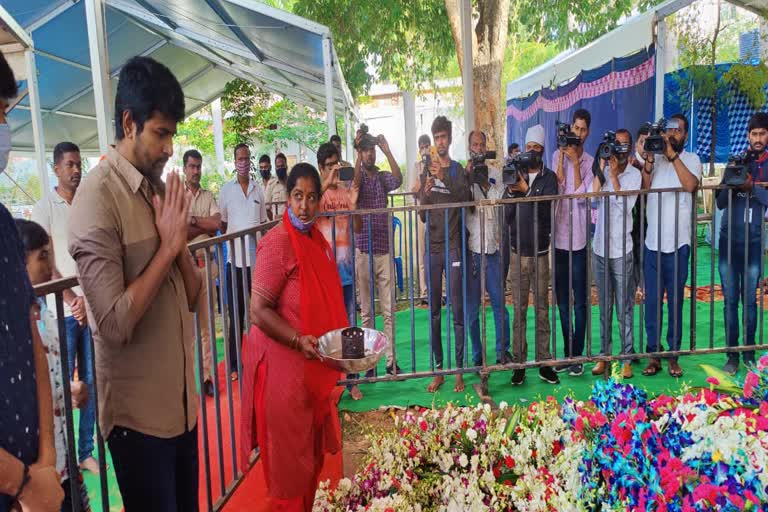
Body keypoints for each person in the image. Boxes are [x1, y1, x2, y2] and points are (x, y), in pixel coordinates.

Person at [68, 56, 202, 510]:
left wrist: (178, 243)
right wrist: (166, 249)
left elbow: (196, 296)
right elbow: (111, 324)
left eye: (171, 135)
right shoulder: (95, 200)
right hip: (138, 423)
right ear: (129, 122)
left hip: (183, 411)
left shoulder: (159, 189)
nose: (169, 148)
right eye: (160, 133)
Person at [240, 163, 347, 511]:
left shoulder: (315, 239)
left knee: (311, 461)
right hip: (283, 374)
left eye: (311, 198)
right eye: (298, 197)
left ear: (319, 201)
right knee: (290, 470)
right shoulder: (278, 242)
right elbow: (258, 311)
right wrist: (297, 339)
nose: (304, 206)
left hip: (309, 370)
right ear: (287, 198)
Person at [0, 51, 63, 512]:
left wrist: (45, 459)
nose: (5, 129)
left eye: (4, 114)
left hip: (33, 477)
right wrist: (22, 482)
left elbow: (29, 338)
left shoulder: (3, 222)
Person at [31, 142, 100, 475]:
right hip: (62, 312)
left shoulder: (88, 203)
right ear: (56, 168)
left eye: (78, 165)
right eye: (69, 165)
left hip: (90, 309)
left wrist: (87, 301)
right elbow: (46, 264)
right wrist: (73, 300)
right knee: (60, 387)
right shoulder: (44, 209)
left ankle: (85, 451)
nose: (75, 170)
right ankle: (66, 457)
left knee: (90, 381)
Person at [16, 219, 92, 512]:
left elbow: (50, 378)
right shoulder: (13, 329)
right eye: (43, 256)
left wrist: (68, 389)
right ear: (19, 264)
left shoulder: (45, 316)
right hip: (37, 474)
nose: (51, 266)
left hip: (64, 464)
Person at [640, 113, 701, 378]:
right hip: (652, 243)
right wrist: (650, 160)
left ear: (685, 135)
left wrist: (671, 154)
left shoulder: (691, 159)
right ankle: (654, 355)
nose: (672, 134)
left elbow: (690, 185)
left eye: (677, 131)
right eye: (669, 130)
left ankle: (673, 356)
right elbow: (643, 189)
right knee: (652, 303)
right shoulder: (657, 159)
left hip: (678, 243)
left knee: (675, 301)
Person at [504, 125, 560, 386]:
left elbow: (545, 207)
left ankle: (544, 362)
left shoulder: (549, 178)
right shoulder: (515, 175)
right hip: (517, 253)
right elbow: (507, 214)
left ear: (543, 149)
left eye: (537, 148)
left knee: (541, 309)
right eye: (529, 148)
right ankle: (519, 363)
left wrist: (525, 191)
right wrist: (512, 187)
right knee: (519, 312)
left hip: (540, 253)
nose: (532, 153)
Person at [419, 116, 470, 393]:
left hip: (453, 246)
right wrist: (425, 194)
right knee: (434, 313)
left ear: (449, 139)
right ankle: (439, 371)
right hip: (432, 248)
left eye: (443, 137)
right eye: (435, 137)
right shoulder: (426, 172)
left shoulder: (458, 170)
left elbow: (466, 198)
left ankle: (459, 371)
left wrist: (443, 178)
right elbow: (422, 216)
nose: (439, 142)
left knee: (457, 310)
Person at [716, 112, 768, 374]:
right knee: (729, 302)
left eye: (762, 134)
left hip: (754, 243)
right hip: (728, 244)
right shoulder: (736, 161)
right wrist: (730, 181)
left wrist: (752, 187)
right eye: (754, 134)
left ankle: (748, 353)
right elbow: (719, 202)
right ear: (748, 136)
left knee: (749, 302)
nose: (757, 139)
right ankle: (731, 355)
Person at [590, 129, 642, 379]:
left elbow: (625, 204)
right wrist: (602, 168)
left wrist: (613, 174)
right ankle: (604, 356)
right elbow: (592, 198)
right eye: (615, 145)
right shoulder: (605, 169)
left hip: (622, 249)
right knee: (604, 307)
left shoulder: (634, 175)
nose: (619, 150)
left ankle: (626, 358)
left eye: (623, 145)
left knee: (624, 307)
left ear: (630, 148)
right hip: (600, 247)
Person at [353, 128, 401, 375]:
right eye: (366, 150)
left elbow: (399, 178)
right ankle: (370, 364)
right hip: (363, 249)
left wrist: (387, 150)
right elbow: (355, 187)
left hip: (383, 250)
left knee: (389, 309)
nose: (370, 155)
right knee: (368, 312)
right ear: (360, 153)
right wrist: (357, 151)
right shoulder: (357, 178)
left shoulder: (382, 178)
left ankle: (391, 362)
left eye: (372, 150)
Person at [316, 142, 362, 400]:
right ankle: (327, 380)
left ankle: (352, 381)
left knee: (350, 326)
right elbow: (308, 213)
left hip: (345, 271)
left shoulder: (345, 193)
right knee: (325, 329)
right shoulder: (317, 194)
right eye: (330, 166)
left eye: (337, 164)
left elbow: (355, 226)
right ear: (321, 168)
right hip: (324, 273)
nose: (335, 170)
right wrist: (326, 182)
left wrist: (353, 207)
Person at [219, 143, 268, 381]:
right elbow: (222, 223)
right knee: (236, 314)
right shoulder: (226, 191)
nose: (243, 162)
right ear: (234, 160)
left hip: (255, 263)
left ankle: (262, 358)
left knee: (259, 312)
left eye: (246, 158)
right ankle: (235, 365)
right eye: (239, 158)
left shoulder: (259, 190)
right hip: (235, 262)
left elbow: (263, 223)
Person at [551, 109, 594, 376]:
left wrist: (576, 163)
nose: (577, 134)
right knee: (562, 300)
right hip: (559, 237)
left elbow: (581, 197)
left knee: (580, 301)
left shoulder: (589, 161)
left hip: (578, 239)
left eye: (581, 130)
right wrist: (562, 160)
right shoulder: (557, 155)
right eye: (574, 129)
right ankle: (567, 351)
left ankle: (578, 354)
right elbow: (556, 189)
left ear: (587, 132)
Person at [465, 130, 511, 367]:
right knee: (472, 311)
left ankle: (503, 351)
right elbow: (464, 203)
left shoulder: (495, 173)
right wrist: (469, 176)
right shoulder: (464, 173)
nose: (479, 148)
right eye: (475, 144)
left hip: (492, 248)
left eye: (482, 144)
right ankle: (476, 356)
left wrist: (484, 182)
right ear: (469, 147)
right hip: (472, 250)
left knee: (499, 305)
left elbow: (501, 200)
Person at [182, 149, 222, 397]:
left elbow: (217, 223)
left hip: (206, 266)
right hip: (184, 268)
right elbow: (179, 232)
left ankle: (207, 377)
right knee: (185, 330)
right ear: (184, 168)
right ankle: (186, 381)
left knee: (206, 327)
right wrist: (201, 224)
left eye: (198, 166)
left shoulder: (209, 196)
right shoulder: (176, 198)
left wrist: (192, 222)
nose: (195, 171)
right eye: (192, 166)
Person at [409, 134, 432, 304]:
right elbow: (413, 190)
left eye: (427, 145)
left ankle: (443, 290)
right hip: (420, 213)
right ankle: (425, 292)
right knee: (422, 252)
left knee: (439, 250)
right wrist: (422, 175)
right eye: (422, 146)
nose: (425, 149)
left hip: (436, 213)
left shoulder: (437, 164)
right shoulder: (416, 167)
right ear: (419, 149)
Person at [258, 154, 278, 221]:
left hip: (274, 220)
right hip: (261, 222)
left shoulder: (276, 182)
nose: (263, 169)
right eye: (261, 167)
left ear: (270, 167)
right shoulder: (258, 185)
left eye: (265, 167)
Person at [270, 152, 289, 217]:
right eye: (278, 166)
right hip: (277, 224)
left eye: (282, 166)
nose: (280, 168)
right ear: (275, 168)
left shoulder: (293, 183)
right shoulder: (271, 185)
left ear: (286, 166)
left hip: (291, 224)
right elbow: (267, 208)